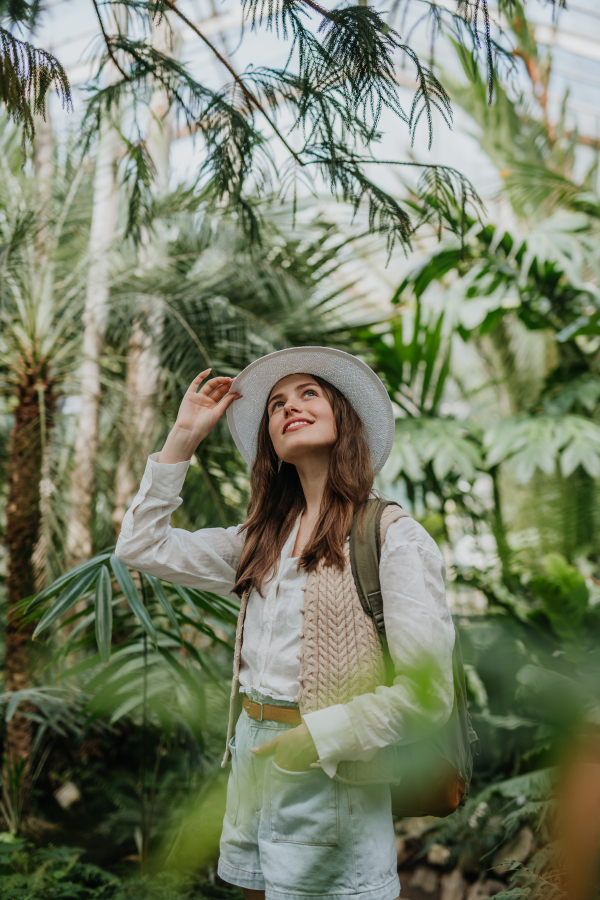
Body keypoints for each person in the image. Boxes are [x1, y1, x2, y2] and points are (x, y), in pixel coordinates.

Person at [116, 346, 455, 900]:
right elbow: (141, 545)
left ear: (343, 417)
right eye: (275, 404)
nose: (288, 407)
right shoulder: (262, 540)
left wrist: (315, 739)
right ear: (270, 444)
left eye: (308, 394)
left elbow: (429, 693)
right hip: (252, 758)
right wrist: (183, 437)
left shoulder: (392, 536)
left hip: (332, 763)